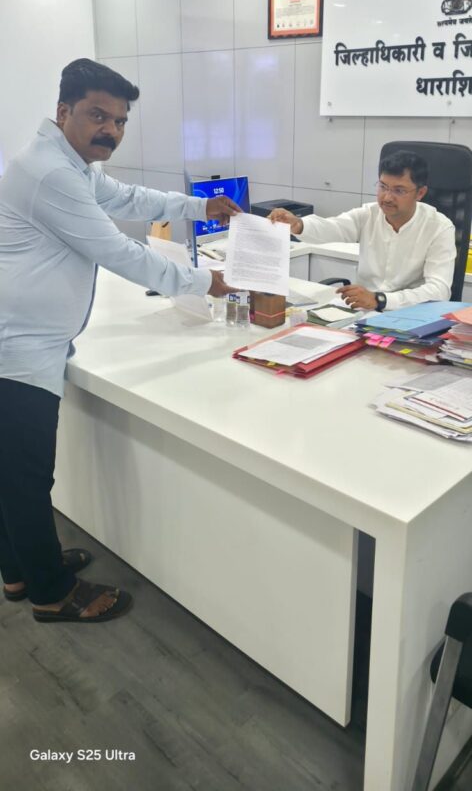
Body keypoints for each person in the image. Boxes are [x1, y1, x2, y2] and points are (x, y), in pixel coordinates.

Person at [0, 58, 240, 624]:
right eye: (97, 116)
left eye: (120, 120)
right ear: (64, 111)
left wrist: (199, 206)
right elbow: (119, 251)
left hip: (28, 342)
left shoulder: (71, 164)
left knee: (13, 474)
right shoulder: (52, 174)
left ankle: (19, 571)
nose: (110, 130)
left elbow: (129, 199)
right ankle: (52, 594)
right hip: (17, 350)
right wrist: (204, 281)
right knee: (27, 479)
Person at [270, 151, 456, 311]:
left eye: (399, 191)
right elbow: (334, 227)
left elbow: (439, 290)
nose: (387, 197)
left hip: (411, 315)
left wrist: (380, 300)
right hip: (364, 312)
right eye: (383, 187)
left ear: (420, 193)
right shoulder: (369, 214)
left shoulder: (439, 227)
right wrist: (298, 224)